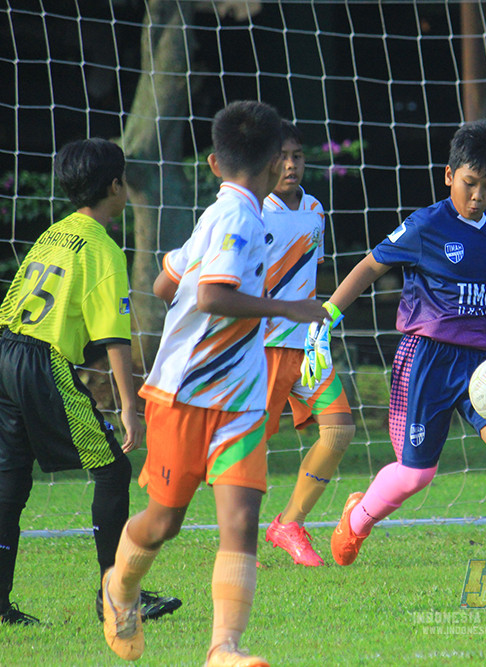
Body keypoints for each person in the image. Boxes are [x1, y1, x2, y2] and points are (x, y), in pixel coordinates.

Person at [98, 101, 328, 665]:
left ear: (213, 162)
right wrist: (288, 308)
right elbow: (210, 296)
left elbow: (162, 283)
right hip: (184, 393)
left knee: (242, 520)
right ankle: (118, 587)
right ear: (277, 162)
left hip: (242, 399)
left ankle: (224, 649)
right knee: (163, 521)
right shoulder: (236, 218)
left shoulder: (219, 215)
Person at [322, 119, 486, 589]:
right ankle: (357, 518)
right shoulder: (427, 225)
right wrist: (328, 318)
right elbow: (371, 265)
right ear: (449, 175)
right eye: (470, 183)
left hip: (483, 365)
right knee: (417, 475)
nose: (479, 195)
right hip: (426, 360)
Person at [0, 138, 181, 626]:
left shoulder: (55, 233)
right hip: (42, 363)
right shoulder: (102, 248)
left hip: (6, 350)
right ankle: (116, 594)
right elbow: (113, 338)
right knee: (113, 471)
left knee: (10, 481)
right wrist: (129, 405)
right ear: (116, 186)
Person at [261, 120, 355, 567]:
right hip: (260, 348)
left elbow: (307, 274)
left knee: (339, 429)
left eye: (296, 155)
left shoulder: (316, 207)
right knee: (247, 450)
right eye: (281, 156)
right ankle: (236, 543)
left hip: (308, 346)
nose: (290, 164)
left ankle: (289, 524)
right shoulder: (254, 210)